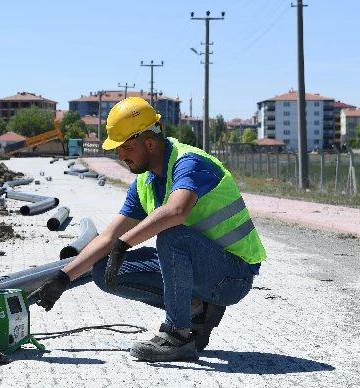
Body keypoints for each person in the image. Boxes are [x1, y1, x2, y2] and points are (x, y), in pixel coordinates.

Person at [28, 97, 266, 362]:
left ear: (150, 143)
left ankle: (178, 336)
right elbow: (108, 236)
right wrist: (62, 278)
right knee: (104, 270)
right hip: (201, 272)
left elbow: (177, 211)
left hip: (232, 277)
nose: (121, 156)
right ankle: (196, 308)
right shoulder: (145, 183)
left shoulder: (190, 163)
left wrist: (124, 244)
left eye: (127, 148)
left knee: (172, 236)